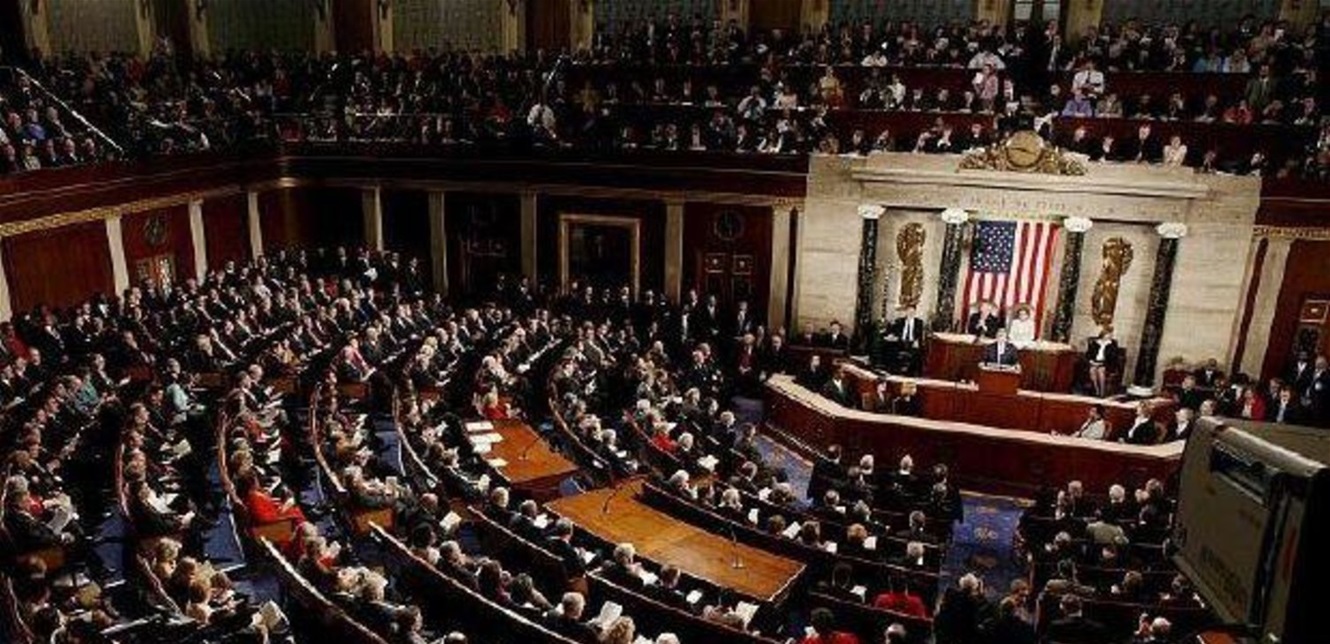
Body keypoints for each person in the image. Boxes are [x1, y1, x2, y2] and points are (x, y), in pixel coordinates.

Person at [1086, 326, 1119, 397]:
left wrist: (1103, 363)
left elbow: (1113, 357)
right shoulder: (1095, 343)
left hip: (1106, 363)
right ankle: (1096, 390)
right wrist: (1091, 361)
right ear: (1103, 334)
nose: (1110, 336)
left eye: (1111, 334)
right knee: (1092, 370)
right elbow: (1088, 354)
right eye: (1109, 334)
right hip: (1095, 362)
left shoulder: (1112, 344)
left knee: (1100, 371)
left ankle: (1102, 392)